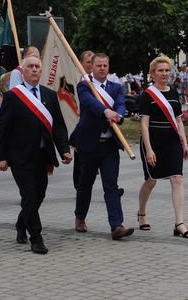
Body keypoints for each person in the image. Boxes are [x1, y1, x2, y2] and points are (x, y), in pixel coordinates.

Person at [0, 56, 72, 254]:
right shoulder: (13, 96)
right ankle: (36, 237)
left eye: (38, 66)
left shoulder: (49, 94)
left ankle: (22, 223)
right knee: (28, 194)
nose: (35, 70)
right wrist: (0, 156)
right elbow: (2, 128)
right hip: (19, 156)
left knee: (39, 195)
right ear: (23, 71)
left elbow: (59, 126)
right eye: (31, 67)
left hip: (42, 155)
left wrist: (64, 149)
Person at [71, 53, 134, 240]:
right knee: (85, 184)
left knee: (111, 185)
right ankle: (80, 217)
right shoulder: (84, 85)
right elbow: (89, 103)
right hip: (88, 144)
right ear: (92, 66)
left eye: (105, 65)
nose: (102, 68)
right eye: (98, 65)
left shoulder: (116, 88)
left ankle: (117, 225)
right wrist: (105, 111)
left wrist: (119, 115)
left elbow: (121, 105)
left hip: (109, 146)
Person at [137, 56, 188, 238]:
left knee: (177, 179)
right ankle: (142, 213)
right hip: (153, 142)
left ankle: (180, 223)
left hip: (172, 142)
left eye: (167, 70)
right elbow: (144, 124)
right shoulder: (147, 95)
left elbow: (179, 120)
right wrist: (149, 149)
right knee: (151, 181)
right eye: (160, 70)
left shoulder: (174, 93)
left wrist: (184, 143)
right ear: (152, 74)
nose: (164, 74)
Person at [73, 50, 94, 191]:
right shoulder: (75, 78)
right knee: (80, 158)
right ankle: (79, 187)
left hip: (95, 124)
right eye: (88, 62)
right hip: (80, 123)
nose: (91, 65)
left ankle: (111, 188)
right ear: (81, 63)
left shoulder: (99, 79)